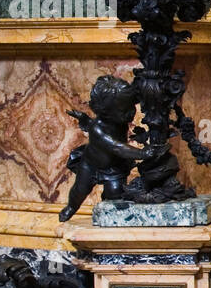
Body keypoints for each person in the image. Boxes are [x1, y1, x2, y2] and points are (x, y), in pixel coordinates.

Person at [58, 76, 157, 221]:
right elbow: (117, 147)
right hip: (91, 166)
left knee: (116, 192)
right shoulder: (97, 129)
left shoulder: (118, 120)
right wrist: (142, 153)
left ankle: (108, 208)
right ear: (105, 111)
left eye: (131, 108)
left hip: (114, 167)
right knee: (80, 190)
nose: (130, 113)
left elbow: (135, 97)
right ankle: (71, 207)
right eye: (124, 110)